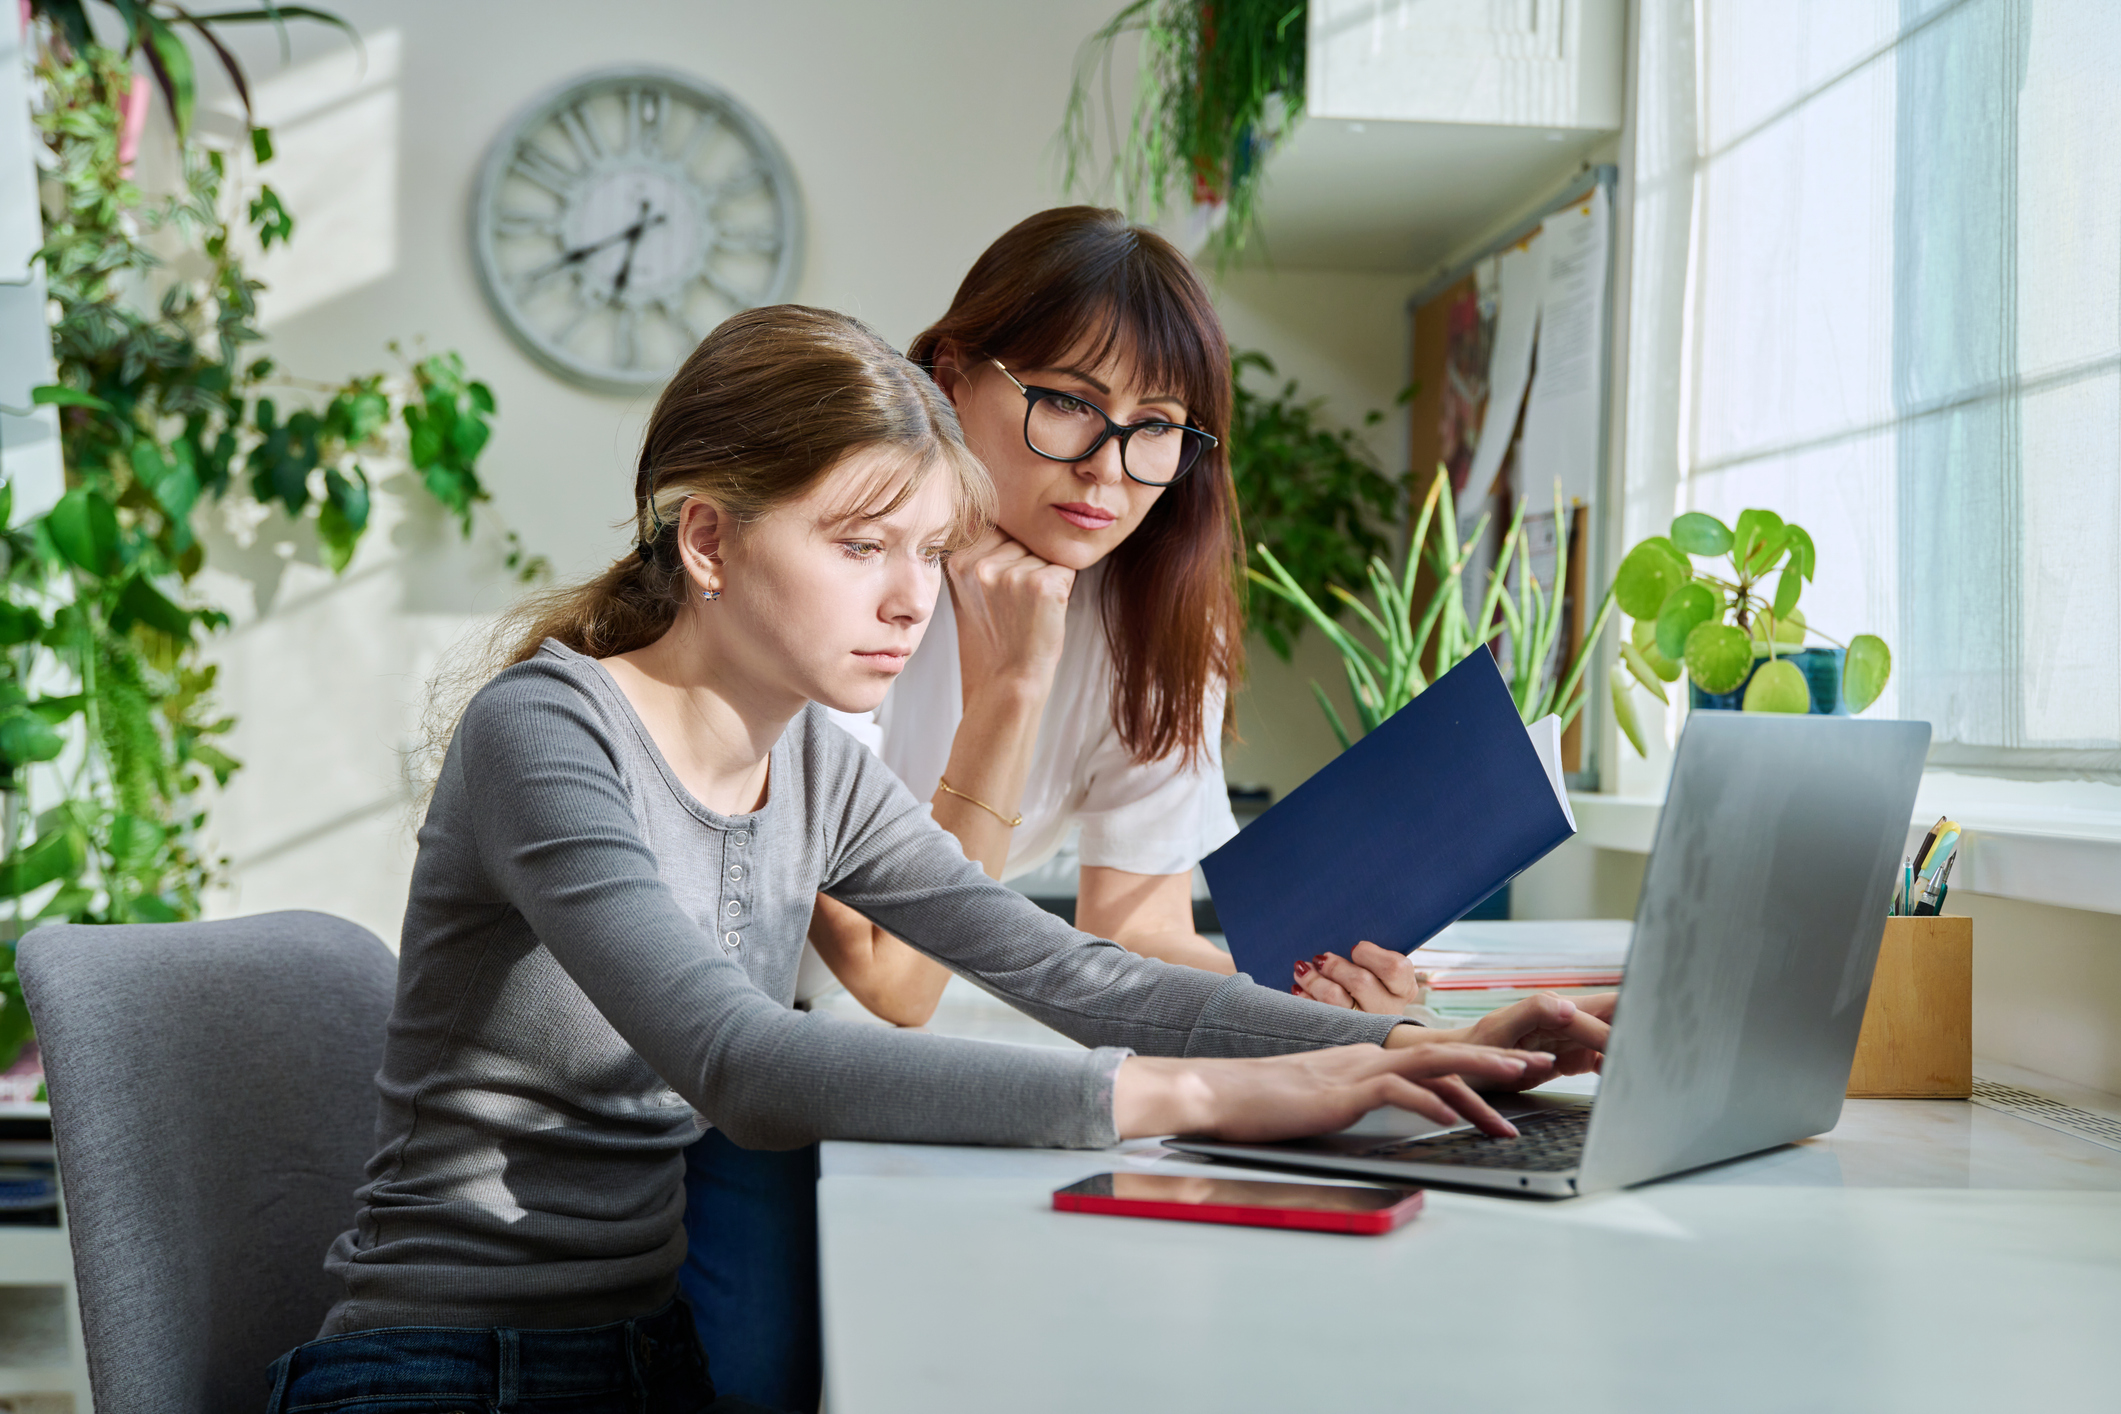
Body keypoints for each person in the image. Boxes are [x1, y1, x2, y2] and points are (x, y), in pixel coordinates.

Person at [270, 305, 1605, 1414]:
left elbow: (1077, 973)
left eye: (925, 550)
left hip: (641, 1359)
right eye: (860, 548)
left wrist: (1412, 1045)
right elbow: (746, 1062)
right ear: (711, 538)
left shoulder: (813, 762)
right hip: (441, 1369)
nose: (910, 598)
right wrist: (1206, 1096)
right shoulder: (549, 731)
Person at [678, 210, 1619, 1407]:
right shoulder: (843, 581)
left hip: (966, 1070)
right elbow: (887, 982)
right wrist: (1011, 685)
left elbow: (1135, 924)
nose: (1107, 469)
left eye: (1158, 430)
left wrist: (1344, 1016)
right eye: (1067, 402)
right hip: (768, 1078)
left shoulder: (1154, 619)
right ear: (948, 379)